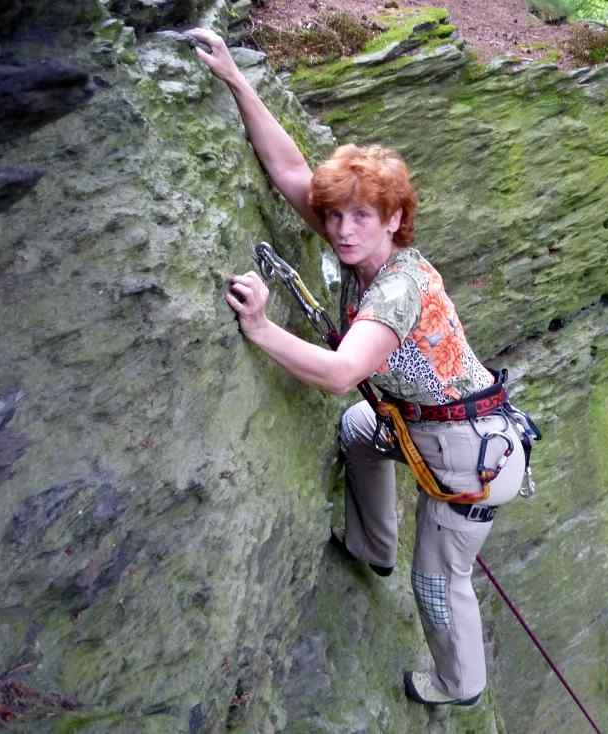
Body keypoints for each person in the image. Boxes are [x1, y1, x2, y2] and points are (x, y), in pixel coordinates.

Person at [188, 28, 527, 707]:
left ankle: (457, 686)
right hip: (417, 427)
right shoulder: (358, 252)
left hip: (468, 462)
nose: (342, 229)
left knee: (436, 581)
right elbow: (290, 173)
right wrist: (236, 80)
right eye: (335, 216)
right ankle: (372, 546)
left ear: (393, 218)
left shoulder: (397, 287)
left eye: (360, 217)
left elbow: (343, 370)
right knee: (353, 430)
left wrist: (258, 328)